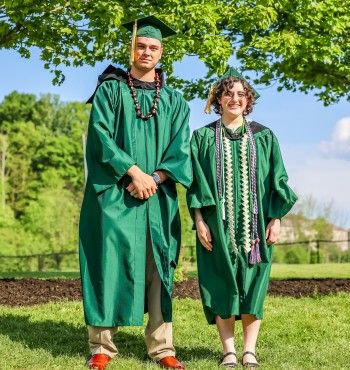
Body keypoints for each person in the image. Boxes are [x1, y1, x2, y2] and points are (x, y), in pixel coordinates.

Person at [79, 15, 192, 370]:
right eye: (141, 45)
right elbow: (100, 138)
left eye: (153, 47)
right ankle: (101, 346)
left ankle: (162, 347)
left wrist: (153, 179)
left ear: (162, 52)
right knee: (107, 262)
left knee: (159, 266)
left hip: (156, 198)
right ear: (131, 48)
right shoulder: (111, 91)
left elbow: (180, 151)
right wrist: (132, 172)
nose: (147, 51)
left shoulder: (174, 101)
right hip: (114, 194)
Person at [187, 67, 297, 368]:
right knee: (221, 283)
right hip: (216, 227)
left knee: (253, 284)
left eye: (241, 94)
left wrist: (276, 219)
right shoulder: (201, 138)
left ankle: (250, 350)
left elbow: (278, 179)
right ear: (218, 99)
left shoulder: (264, 137)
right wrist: (199, 221)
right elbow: (196, 183)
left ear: (248, 100)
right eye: (228, 93)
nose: (234, 98)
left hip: (257, 230)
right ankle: (229, 351)